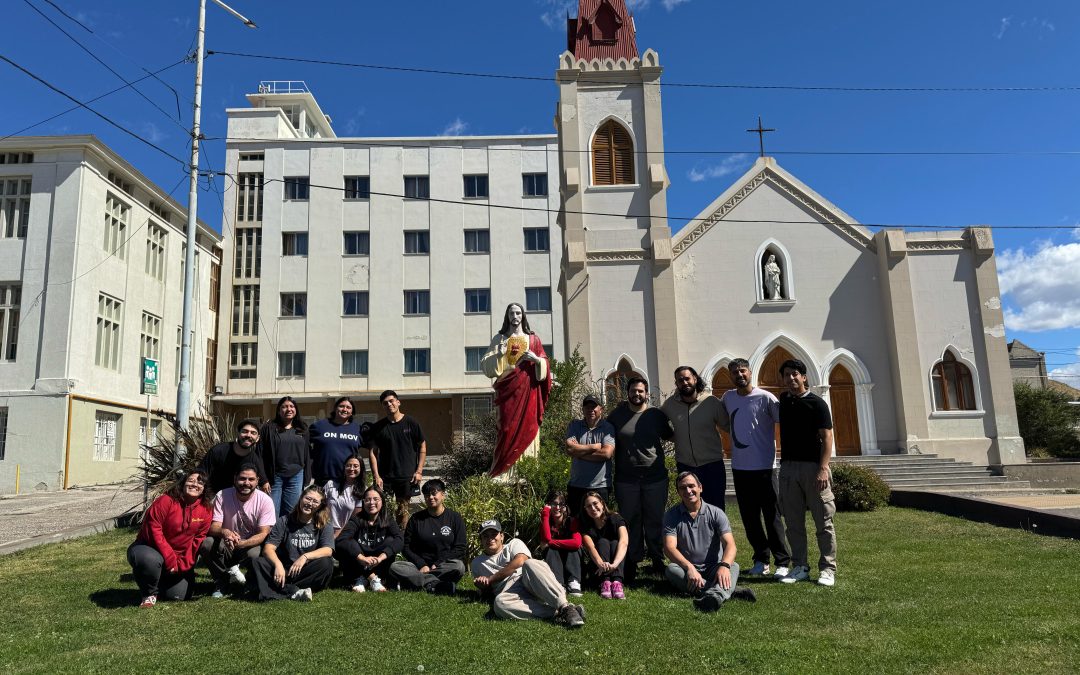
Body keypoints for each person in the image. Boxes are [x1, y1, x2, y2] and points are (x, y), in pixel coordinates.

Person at [720, 358, 791, 579]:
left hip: (766, 468)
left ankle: (782, 561)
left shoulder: (766, 397)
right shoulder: (728, 398)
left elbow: (786, 422)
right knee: (749, 518)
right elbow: (722, 421)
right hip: (740, 468)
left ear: (750, 372)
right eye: (734, 372)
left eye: (742, 371)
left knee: (772, 517)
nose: (739, 375)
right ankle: (761, 559)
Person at [776, 358, 838, 587]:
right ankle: (800, 566)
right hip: (789, 468)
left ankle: (828, 569)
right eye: (787, 375)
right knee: (793, 523)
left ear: (804, 377)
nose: (791, 378)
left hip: (813, 469)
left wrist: (823, 469)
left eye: (795, 374)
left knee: (823, 522)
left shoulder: (818, 404)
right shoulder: (784, 400)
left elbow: (827, 437)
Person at [609, 376, 673, 581]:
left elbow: (670, 435)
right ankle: (632, 561)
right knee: (630, 521)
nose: (637, 394)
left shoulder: (655, 415)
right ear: (627, 392)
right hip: (626, 479)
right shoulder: (617, 416)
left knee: (655, 519)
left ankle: (656, 559)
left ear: (647, 393)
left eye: (641, 391)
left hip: (655, 477)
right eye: (633, 391)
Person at [664, 471, 756, 612]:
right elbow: (669, 548)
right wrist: (689, 568)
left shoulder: (716, 513)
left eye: (691, 486)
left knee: (734, 566)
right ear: (678, 492)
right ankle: (727, 592)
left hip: (714, 568)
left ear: (700, 487)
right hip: (687, 569)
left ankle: (714, 595)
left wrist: (724, 566)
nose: (688, 491)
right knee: (671, 570)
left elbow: (730, 545)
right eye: (682, 488)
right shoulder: (671, 515)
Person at [471, 519, 586, 627]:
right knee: (499, 604)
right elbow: (487, 593)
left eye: (493, 534)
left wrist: (491, 578)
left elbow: (521, 560)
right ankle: (559, 613)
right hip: (510, 593)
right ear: (480, 540)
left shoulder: (513, 544)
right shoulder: (477, 563)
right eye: (485, 536)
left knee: (530, 564)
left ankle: (564, 606)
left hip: (530, 582)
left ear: (501, 536)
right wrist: (483, 586)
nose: (490, 538)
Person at [482, 302, 552, 477]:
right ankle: (503, 472)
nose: (515, 316)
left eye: (518, 313)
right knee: (506, 429)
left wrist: (536, 360)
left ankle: (526, 472)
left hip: (529, 394)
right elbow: (486, 365)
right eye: (512, 313)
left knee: (528, 427)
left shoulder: (533, 340)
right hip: (507, 392)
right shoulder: (499, 339)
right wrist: (499, 354)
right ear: (507, 316)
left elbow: (545, 365)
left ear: (523, 316)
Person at [127, 469, 214, 608]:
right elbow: (154, 529)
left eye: (200, 482)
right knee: (149, 560)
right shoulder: (166, 501)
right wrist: (171, 560)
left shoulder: (206, 509)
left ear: (204, 489)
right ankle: (149, 593)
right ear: (183, 483)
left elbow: (198, 539)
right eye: (190, 480)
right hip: (150, 547)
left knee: (177, 596)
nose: (194, 484)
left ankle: (158, 579)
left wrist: (183, 565)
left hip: (178, 557)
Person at [200, 464, 276, 597]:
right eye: (242, 478)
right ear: (235, 479)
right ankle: (221, 583)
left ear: (257, 480)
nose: (246, 483)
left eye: (251, 479)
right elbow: (213, 527)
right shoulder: (222, 495)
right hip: (226, 542)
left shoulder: (265, 500)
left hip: (249, 544)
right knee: (207, 544)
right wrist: (225, 532)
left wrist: (243, 543)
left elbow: (264, 533)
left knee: (256, 554)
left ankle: (251, 583)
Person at [661, 365, 731, 509]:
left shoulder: (711, 402)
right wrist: (674, 437)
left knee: (716, 507)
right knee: (691, 508)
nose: (684, 382)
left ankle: (718, 532)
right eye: (680, 380)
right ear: (677, 384)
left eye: (687, 378)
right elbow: (657, 423)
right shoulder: (670, 405)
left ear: (695, 379)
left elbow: (729, 426)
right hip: (685, 465)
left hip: (712, 465)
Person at [250, 485, 335, 601]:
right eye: (308, 498)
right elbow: (268, 549)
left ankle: (274, 590)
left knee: (326, 564)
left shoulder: (325, 523)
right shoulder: (284, 521)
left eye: (315, 501)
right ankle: (295, 592)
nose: (310, 504)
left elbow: (328, 550)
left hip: (306, 570)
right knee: (258, 562)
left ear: (320, 506)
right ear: (301, 498)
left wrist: (305, 557)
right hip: (283, 569)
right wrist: (278, 565)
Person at [388, 479, 467, 594]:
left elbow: (460, 547)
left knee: (459, 566)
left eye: (434, 493)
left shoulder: (455, 518)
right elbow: (406, 546)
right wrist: (422, 564)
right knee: (396, 566)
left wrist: (437, 563)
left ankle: (419, 582)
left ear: (443, 495)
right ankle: (437, 585)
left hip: (443, 566)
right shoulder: (416, 519)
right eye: (427, 495)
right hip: (419, 567)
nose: (430, 497)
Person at [367, 390, 426, 527]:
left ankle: (400, 539)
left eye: (391, 401)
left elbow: (422, 447)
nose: (389, 404)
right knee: (383, 510)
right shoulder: (378, 427)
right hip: (384, 478)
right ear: (383, 406)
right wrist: (376, 476)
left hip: (406, 476)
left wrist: (419, 471)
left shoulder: (411, 423)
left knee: (402, 511)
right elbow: (373, 453)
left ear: (398, 402)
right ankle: (385, 538)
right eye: (385, 403)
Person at [335, 485, 403, 593]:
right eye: (367, 500)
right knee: (349, 542)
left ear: (382, 502)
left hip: (378, 562)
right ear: (363, 502)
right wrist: (361, 558)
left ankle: (368, 578)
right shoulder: (357, 519)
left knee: (390, 540)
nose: (371, 503)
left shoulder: (388, 519)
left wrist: (381, 557)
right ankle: (370, 578)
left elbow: (399, 539)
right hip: (359, 562)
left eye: (375, 499)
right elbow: (341, 540)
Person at [259, 396, 311, 517]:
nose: (289, 409)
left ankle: (287, 536)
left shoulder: (302, 428)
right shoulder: (269, 428)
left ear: (296, 409)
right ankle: (272, 536)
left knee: (291, 512)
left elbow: (307, 453)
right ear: (278, 410)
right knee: (271, 512)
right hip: (274, 477)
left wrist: (307, 476)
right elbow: (260, 454)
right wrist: (263, 479)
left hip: (296, 475)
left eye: (292, 406)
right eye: (285, 406)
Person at [565, 394, 615, 516]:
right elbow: (570, 448)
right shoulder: (575, 425)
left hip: (600, 486)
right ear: (583, 410)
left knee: (599, 523)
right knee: (575, 523)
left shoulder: (607, 428)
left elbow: (606, 454)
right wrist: (594, 447)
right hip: (577, 485)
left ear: (600, 409)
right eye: (587, 407)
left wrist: (579, 453)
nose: (590, 410)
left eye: (594, 407)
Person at [580, 491, 629, 600]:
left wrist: (615, 564)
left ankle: (617, 583)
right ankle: (605, 582)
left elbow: (624, 542)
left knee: (616, 542)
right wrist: (601, 564)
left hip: (619, 564)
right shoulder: (586, 526)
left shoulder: (615, 518)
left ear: (602, 503)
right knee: (602, 542)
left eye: (595, 503)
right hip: (599, 568)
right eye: (588, 506)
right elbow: (590, 547)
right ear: (585, 509)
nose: (592, 508)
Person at [197, 419, 267, 494]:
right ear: (238, 433)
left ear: (257, 438)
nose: (248, 435)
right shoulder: (219, 451)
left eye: (253, 433)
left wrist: (265, 484)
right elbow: (200, 473)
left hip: (236, 499)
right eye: (245, 431)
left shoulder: (254, 459)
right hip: (212, 495)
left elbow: (263, 480)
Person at [309, 397, 366, 486]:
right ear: (335, 408)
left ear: (352, 412)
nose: (344, 409)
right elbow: (304, 444)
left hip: (348, 480)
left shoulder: (357, 429)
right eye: (341, 406)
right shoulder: (320, 426)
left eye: (348, 407)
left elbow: (372, 447)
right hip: (322, 479)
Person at [537, 490, 583, 597]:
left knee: (573, 549)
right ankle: (559, 584)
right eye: (554, 504)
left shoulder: (572, 521)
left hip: (571, 559)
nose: (557, 508)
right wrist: (545, 515)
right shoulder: (546, 522)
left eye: (561, 504)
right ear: (548, 505)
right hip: (555, 559)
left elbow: (576, 543)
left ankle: (574, 582)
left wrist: (552, 542)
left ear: (566, 506)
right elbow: (546, 538)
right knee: (551, 550)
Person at [323, 455, 365, 538]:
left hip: (347, 533)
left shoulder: (363, 491)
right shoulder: (331, 484)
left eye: (355, 466)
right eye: (348, 465)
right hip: (325, 530)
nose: (352, 469)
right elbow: (321, 507)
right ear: (344, 467)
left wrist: (337, 534)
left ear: (361, 469)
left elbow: (354, 519)